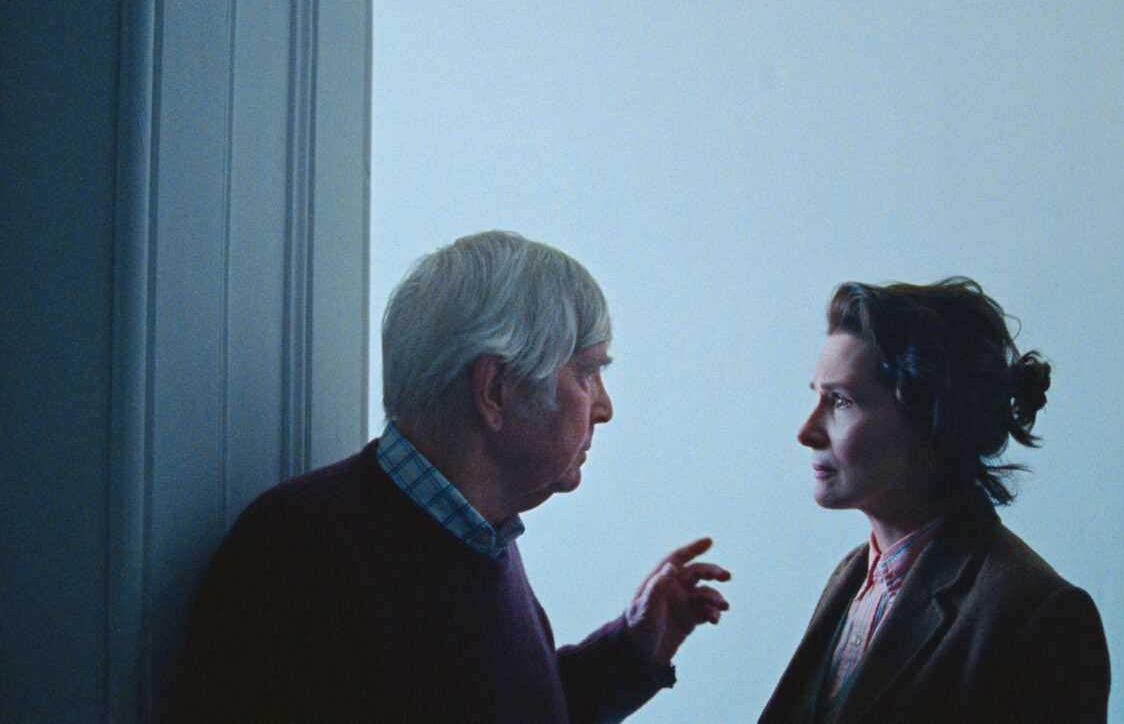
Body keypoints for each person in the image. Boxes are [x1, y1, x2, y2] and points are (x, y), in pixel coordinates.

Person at [167, 231, 730, 723]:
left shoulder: (477, 536)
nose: (603, 408)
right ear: (495, 390)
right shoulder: (298, 551)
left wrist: (629, 654)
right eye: (586, 373)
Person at [759, 278, 1109, 723]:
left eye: (841, 401)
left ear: (929, 420)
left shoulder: (1039, 615)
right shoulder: (851, 577)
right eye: (816, 397)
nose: (806, 431)